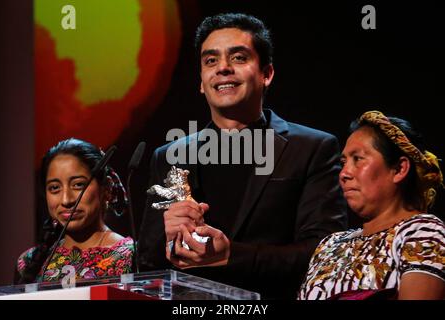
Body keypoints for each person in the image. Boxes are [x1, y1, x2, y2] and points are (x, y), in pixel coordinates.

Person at [138, 13, 347, 299]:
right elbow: (148, 263)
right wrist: (168, 238)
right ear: (201, 81)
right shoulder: (171, 156)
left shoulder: (312, 148)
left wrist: (230, 256)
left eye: (238, 58)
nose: (223, 68)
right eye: (210, 61)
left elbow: (324, 254)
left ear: (267, 73)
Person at [298, 110, 445, 300]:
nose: (344, 173)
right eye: (344, 162)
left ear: (399, 169)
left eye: (357, 159)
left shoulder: (422, 233)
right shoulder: (329, 245)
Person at [15, 138, 134, 284]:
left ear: (107, 188)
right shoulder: (28, 262)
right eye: (54, 188)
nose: (66, 200)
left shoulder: (129, 256)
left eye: (78, 185)